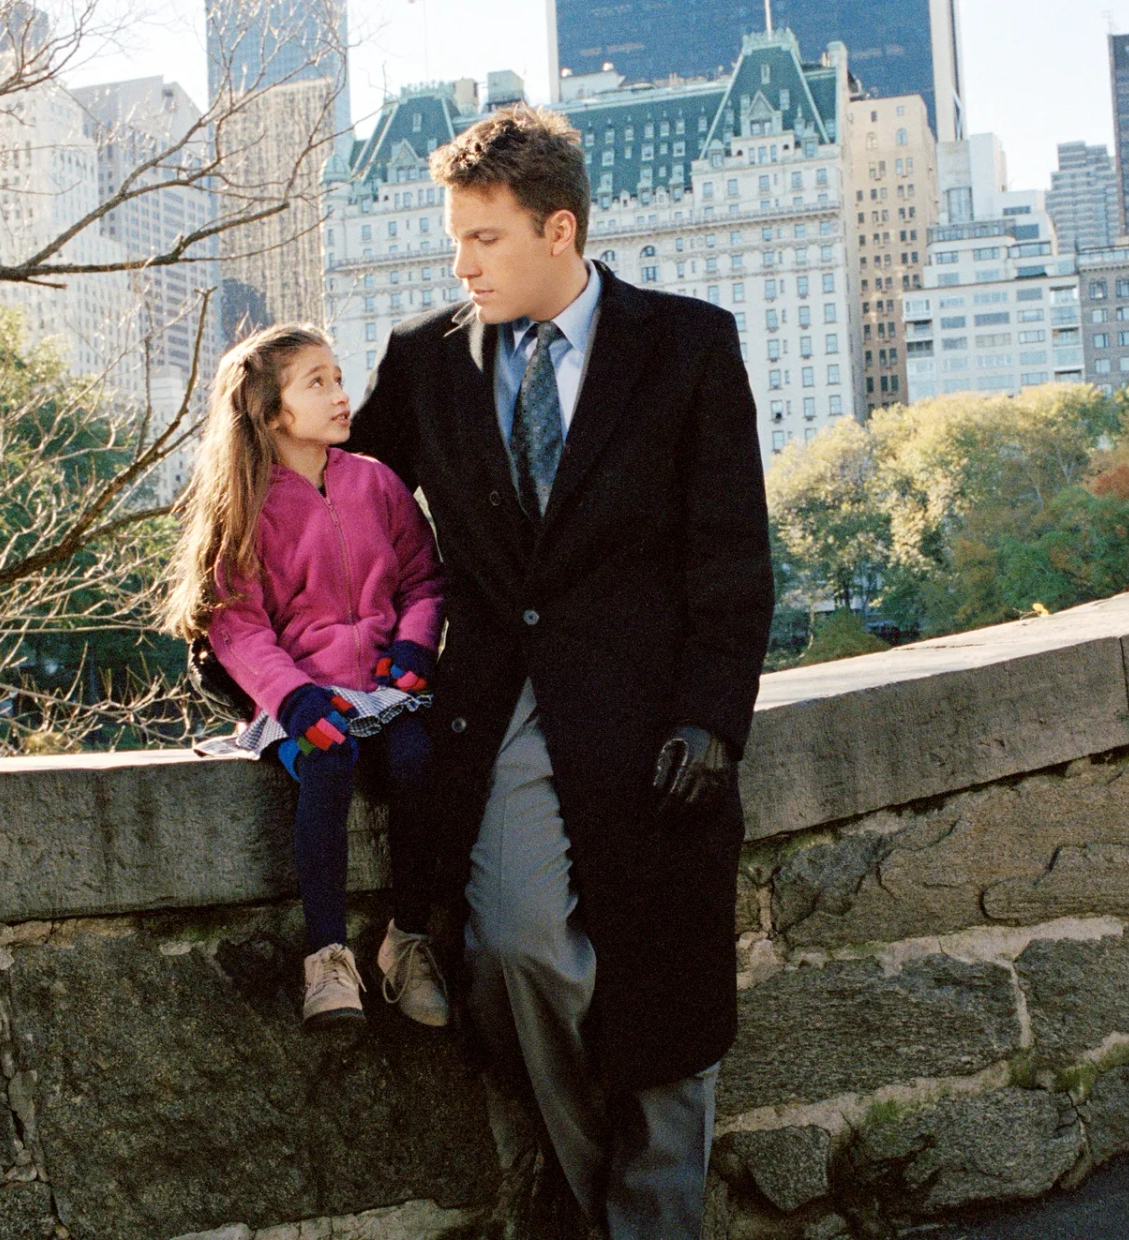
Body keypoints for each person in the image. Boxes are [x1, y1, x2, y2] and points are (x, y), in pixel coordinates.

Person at [348, 107, 774, 1237]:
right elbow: (340, 516)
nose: (462, 262)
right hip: (500, 714)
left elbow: (730, 555)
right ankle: (602, 1212)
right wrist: (246, 642)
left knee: (669, 1005)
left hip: (654, 719)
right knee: (518, 946)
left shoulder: (687, 347)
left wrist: (713, 718)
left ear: (560, 230)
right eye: (455, 239)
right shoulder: (421, 363)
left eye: (484, 238)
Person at [164, 324, 451, 1030]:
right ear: (269, 410)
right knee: (331, 761)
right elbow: (236, 624)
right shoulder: (248, 505)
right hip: (296, 698)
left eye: (338, 376)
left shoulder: (377, 482)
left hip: (386, 689)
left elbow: (423, 579)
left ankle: (407, 943)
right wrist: (291, 696)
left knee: (421, 764)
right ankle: (327, 960)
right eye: (315, 382)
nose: (340, 394)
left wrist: (415, 649)